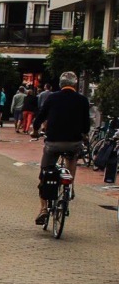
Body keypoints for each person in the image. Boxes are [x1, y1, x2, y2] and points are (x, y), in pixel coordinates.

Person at [31, 71, 90, 226]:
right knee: (72, 157)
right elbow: (86, 124)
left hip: (53, 143)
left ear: (61, 84)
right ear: (75, 84)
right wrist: (83, 134)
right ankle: (69, 186)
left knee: (44, 173)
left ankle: (43, 209)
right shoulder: (83, 100)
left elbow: (40, 117)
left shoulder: (52, 97)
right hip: (73, 143)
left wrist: (35, 130)